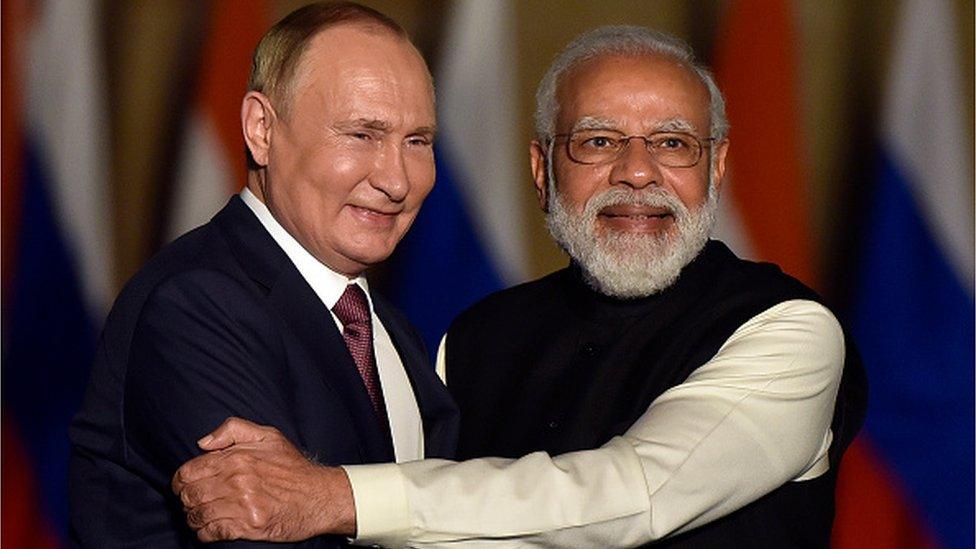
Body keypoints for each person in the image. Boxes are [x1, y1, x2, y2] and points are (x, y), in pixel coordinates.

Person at [173, 26, 867, 548]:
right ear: (541, 170)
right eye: (597, 141)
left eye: (674, 143)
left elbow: (637, 494)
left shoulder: (790, 331)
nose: (637, 171)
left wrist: (336, 495)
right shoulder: (474, 339)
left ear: (716, 169)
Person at [67, 2, 458, 547]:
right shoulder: (197, 306)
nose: (396, 179)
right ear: (261, 129)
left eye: (417, 141)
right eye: (362, 135)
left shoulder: (390, 331)